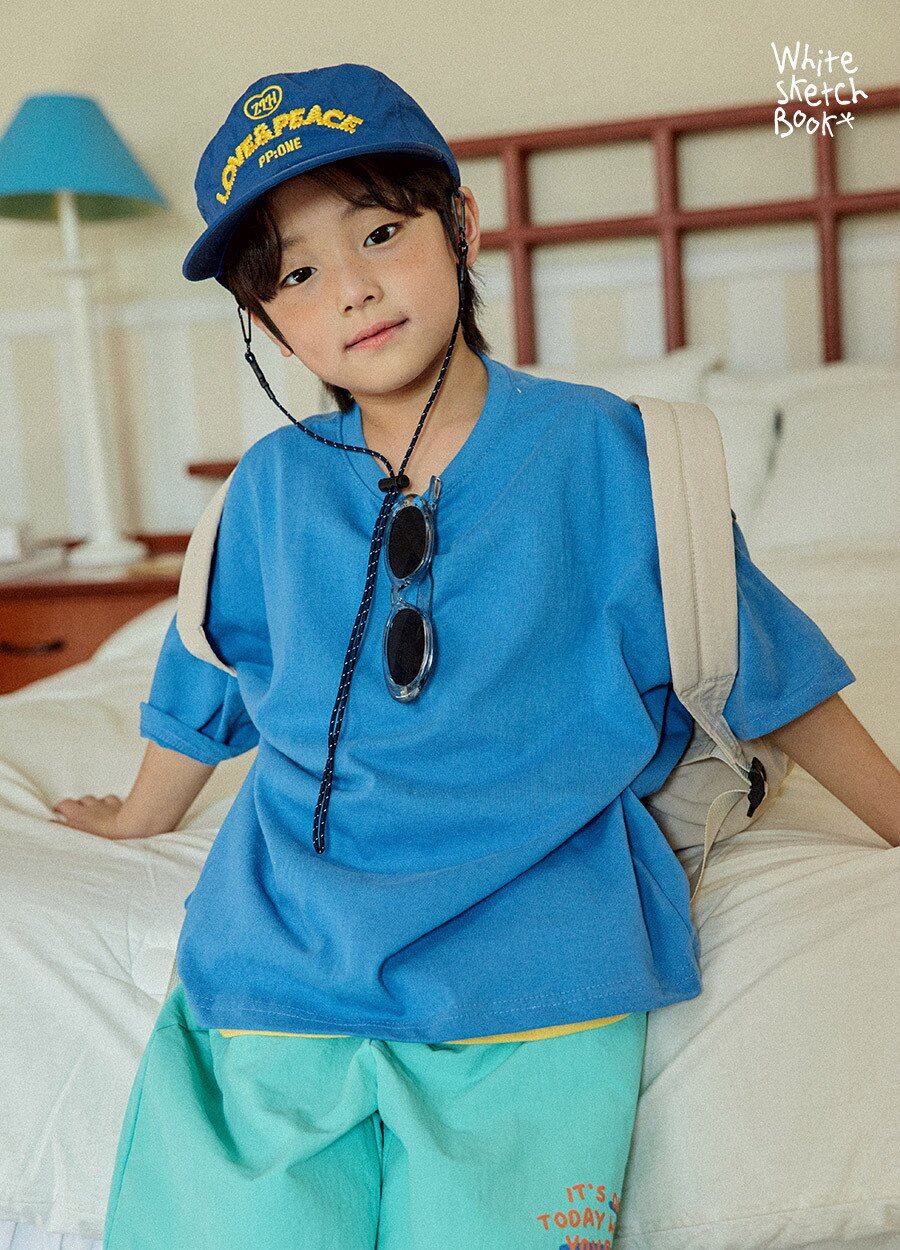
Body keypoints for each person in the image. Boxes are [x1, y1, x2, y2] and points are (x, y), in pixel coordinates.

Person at [51, 63, 899, 1250]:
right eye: (297, 274)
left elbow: (769, 666)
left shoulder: (612, 455)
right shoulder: (269, 490)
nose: (351, 288)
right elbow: (209, 669)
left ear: (461, 226)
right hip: (277, 958)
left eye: (379, 233)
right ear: (266, 323)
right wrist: (142, 816)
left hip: (537, 964)